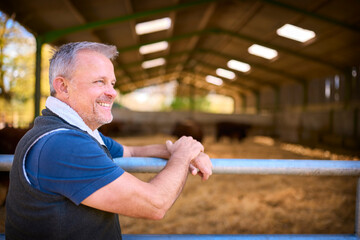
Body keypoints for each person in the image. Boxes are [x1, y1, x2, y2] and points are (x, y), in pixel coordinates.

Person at [5, 42, 212, 240]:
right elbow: (155, 204)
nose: (112, 92)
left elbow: (130, 152)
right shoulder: (64, 145)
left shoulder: (78, 133)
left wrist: (182, 149)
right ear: (63, 87)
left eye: (112, 83)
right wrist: (183, 156)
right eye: (99, 81)